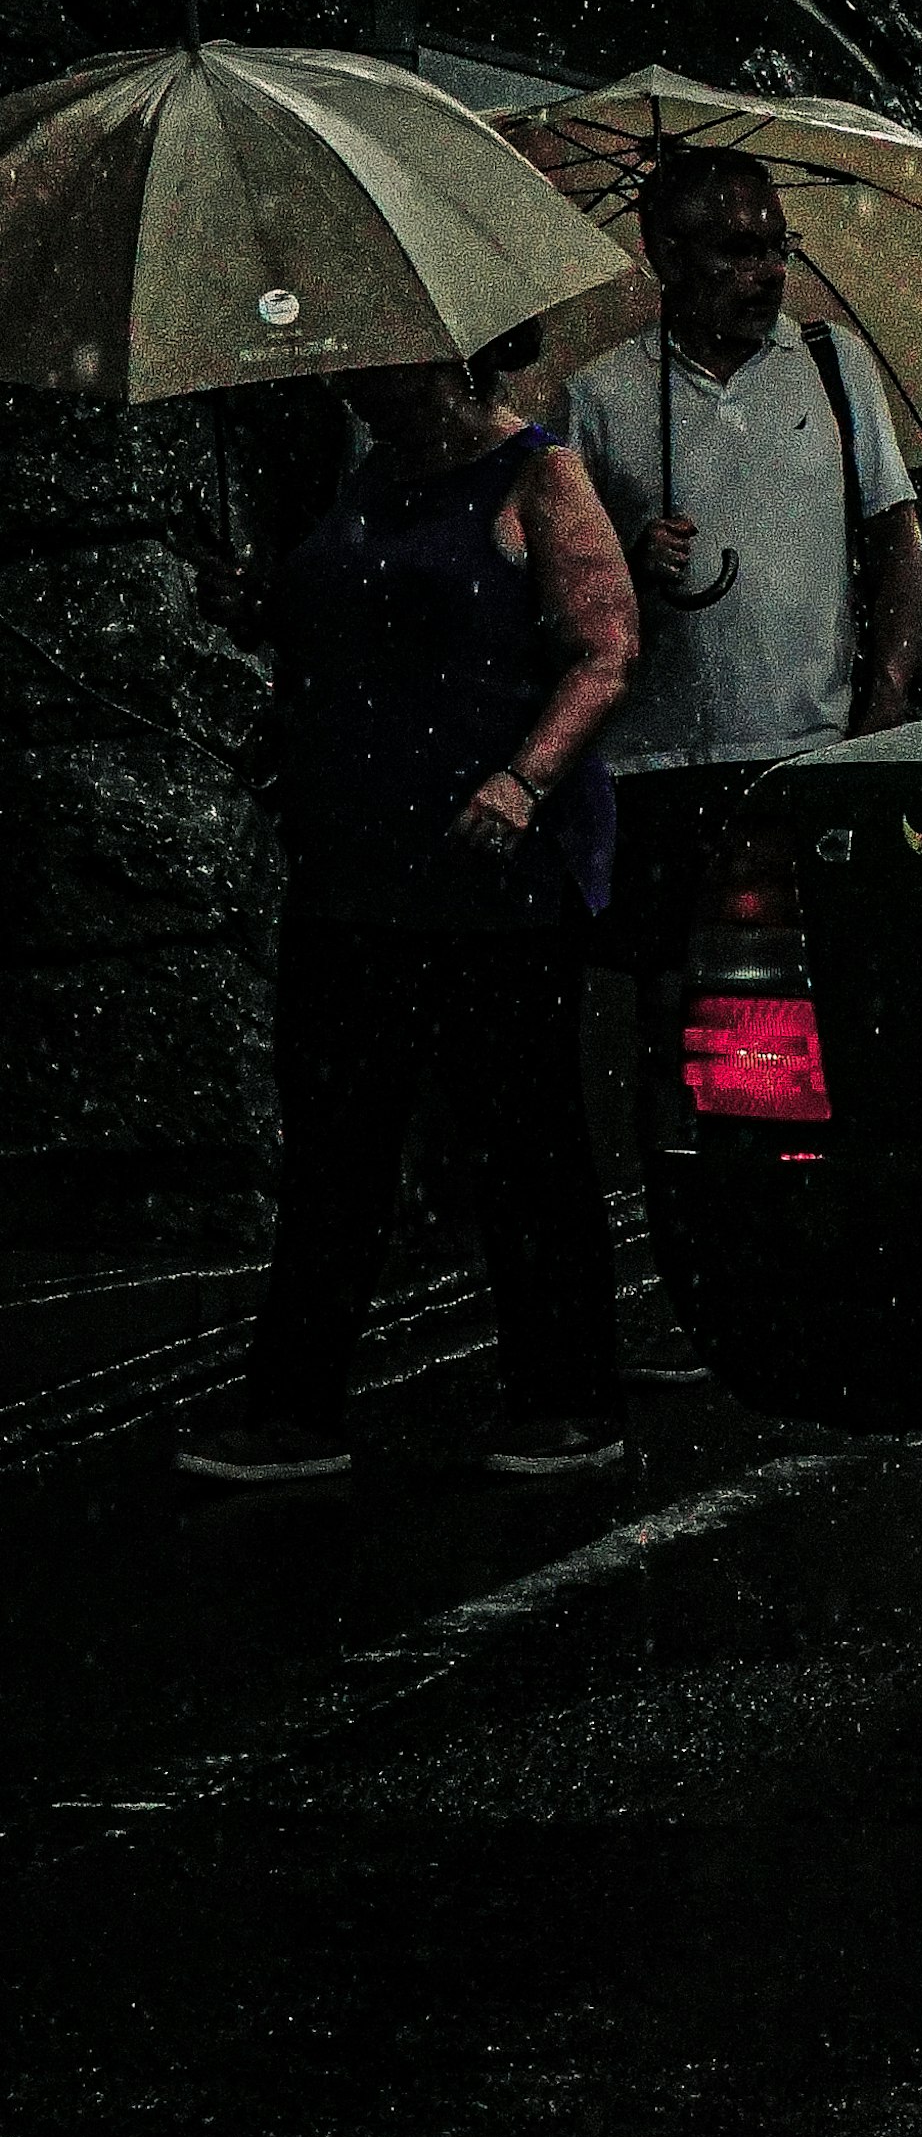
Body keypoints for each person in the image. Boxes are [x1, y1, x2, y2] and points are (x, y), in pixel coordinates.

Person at [179, 328, 640, 1488]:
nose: (347, 377)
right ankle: (297, 1409)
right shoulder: (361, 482)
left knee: (521, 1140)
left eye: (375, 358)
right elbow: (346, 636)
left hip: (489, 880)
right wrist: (257, 603)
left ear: (448, 356)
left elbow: (604, 649)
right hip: (355, 873)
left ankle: (569, 1395)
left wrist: (524, 778)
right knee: (337, 1146)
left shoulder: (539, 475)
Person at [561, 150, 922, 1126]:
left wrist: (878, 715)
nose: (767, 272)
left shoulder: (833, 365)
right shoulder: (599, 398)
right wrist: (628, 568)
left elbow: (899, 544)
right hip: (655, 767)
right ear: (665, 254)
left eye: (777, 246)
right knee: (671, 1025)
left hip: (802, 759)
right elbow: (563, 602)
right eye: (736, 248)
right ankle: (681, 1209)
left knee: (807, 1023)